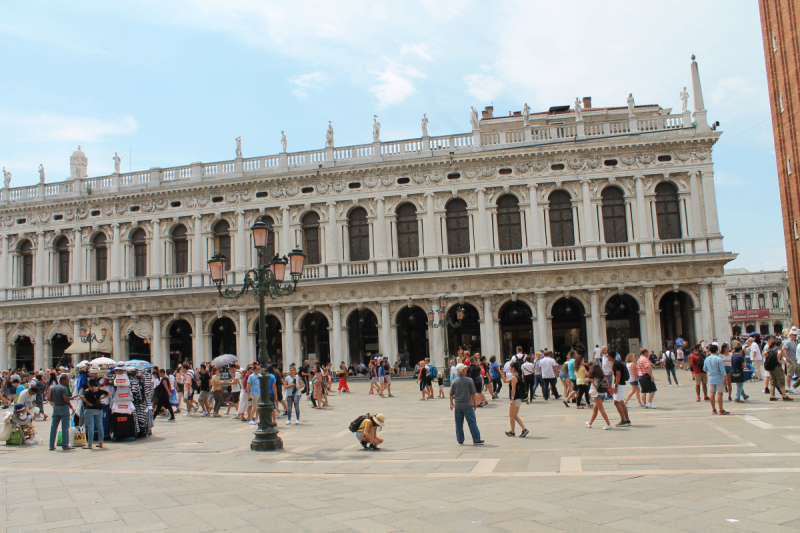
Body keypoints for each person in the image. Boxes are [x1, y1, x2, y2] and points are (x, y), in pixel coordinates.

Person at [450, 363, 484, 445]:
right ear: (463, 370)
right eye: (465, 369)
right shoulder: (469, 380)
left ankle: (460, 439)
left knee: (458, 423)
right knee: (472, 422)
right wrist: (475, 403)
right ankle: (476, 438)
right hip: (467, 405)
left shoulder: (454, 381)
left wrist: (451, 403)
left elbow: (451, 394)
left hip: (458, 405)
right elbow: (473, 393)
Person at [48, 374, 76, 451]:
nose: (68, 381)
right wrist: (74, 397)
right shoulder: (64, 388)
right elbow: (66, 399)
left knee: (54, 427)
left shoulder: (54, 388)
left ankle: (51, 445)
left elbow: (50, 398)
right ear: (63, 380)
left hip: (56, 407)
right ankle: (65, 445)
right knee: (65, 428)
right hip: (63, 407)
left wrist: (54, 405)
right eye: (67, 380)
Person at [79, 377, 108, 448]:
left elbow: (82, 396)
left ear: (89, 384)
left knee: (91, 427)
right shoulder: (99, 389)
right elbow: (108, 393)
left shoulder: (87, 390)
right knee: (100, 426)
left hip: (89, 410)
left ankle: (90, 444)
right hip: (98, 409)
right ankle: (101, 443)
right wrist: (101, 398)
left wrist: (87, 402)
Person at [703, 344, 729, 415]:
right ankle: (721, 409)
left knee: (712, 393)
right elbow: (722, 370)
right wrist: (726, 379)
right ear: (717, 350)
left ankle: (713, 409)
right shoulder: (718, 359)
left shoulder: (707, 359)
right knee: (720, 394)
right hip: (719, 377)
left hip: (711, 377)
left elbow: (705, 368)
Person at [506, 361, 529, 437]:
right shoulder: (518, 376)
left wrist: (512, 399)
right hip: (519, 398)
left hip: (515, 398)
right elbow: (505, 381)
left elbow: (513, 389)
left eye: (510, 367)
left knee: (511, 416)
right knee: (515, 415)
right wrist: (502, 374)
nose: (509, 368)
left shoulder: (514, 377)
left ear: (513, 368)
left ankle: (516, 430)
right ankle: (521, 429)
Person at [586, 363, 612, 429]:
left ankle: (608, 424)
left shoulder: (593, 378)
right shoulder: (603, 377)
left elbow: (586, 379)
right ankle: (590, 423)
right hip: (603, 393)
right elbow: (609, 385)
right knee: (595, 409)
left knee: (601, 409)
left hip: (596, 394)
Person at [612, 354, 631, 426]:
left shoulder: (616, 364)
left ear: (610, 356)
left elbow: (618, 375)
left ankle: (623, 420)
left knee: (616, 402)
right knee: (621, 401)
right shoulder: (617, 363)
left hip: (619, 384)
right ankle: (627, 419)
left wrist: (616, 385)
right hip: (622, 384)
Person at [783, 327, 799, 394]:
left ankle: (792, 387)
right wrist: (787, 358)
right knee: (789, 374)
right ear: (790, 335)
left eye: (796, 335)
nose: (795, 336)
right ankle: (789, 387)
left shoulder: (793, 342)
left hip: (794, 360)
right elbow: (783, 350)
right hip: (790, 360)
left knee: (797, 373)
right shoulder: (788, 342)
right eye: (794, 335)